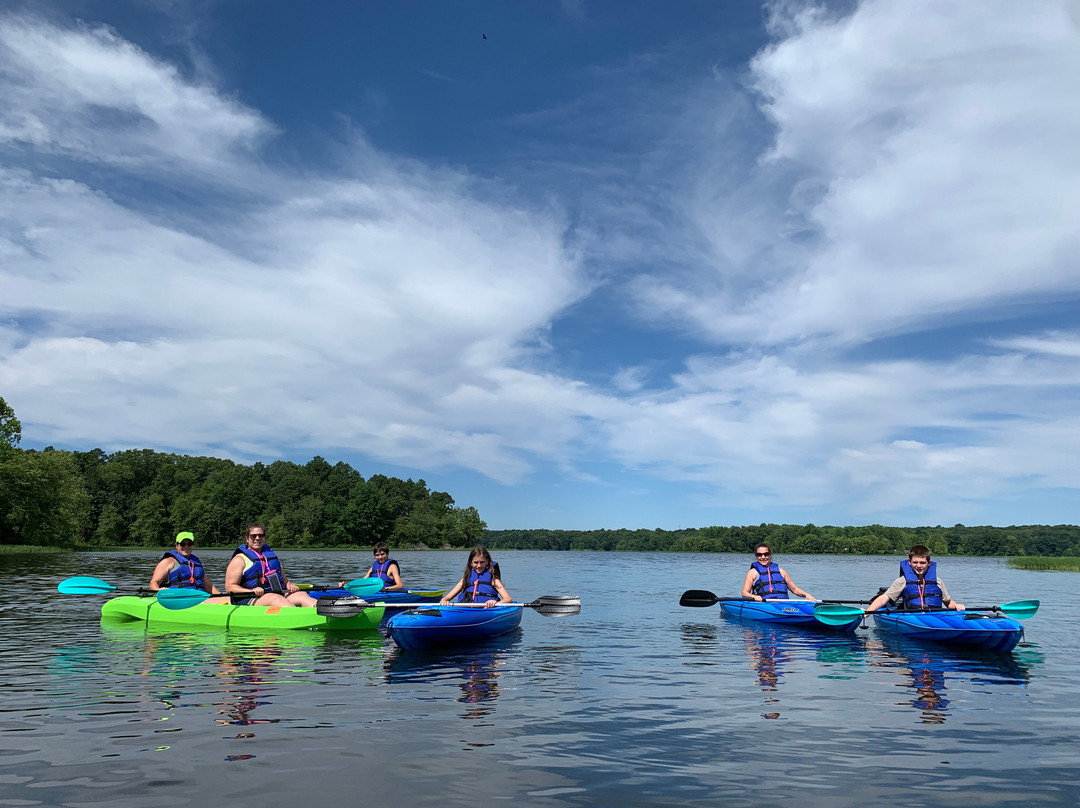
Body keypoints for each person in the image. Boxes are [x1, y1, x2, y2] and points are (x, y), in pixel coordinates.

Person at [224, 523, 317, 607]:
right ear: (247, 539)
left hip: (276, 595)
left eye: (261, 535)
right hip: (250, 598)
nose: (257, 538)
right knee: (275, 599)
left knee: (301, 594)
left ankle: (319, 612)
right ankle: (298, 619)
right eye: (253, 536)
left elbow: (284, 580)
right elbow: (229, 587)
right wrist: (251, 591)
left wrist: (290, 586)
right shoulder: (239, 560)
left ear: (264, 538)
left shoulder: (270, 556)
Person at [867, 545, 965, 612]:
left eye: (922, 563)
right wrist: (867, 612)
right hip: (912, 617)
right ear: (909, 562)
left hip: (934, 616)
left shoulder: (938, 582)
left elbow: (948, 602)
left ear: (929, 563)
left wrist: (956, 606)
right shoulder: (902, 581)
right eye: (915, 562)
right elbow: (884, 598)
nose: (918, 566)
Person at [149, 531, 229, 604]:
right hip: (179, 598)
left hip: (200, 596)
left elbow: (207, 585)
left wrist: (220, 595)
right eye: (183, 544)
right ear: (177, 545)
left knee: (228, 599)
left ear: (193, 545)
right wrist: (160, 591)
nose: (186, 547)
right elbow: (154, 583)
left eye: (189, 544)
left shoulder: (196, 562)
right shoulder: (168, 561)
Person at [439, 545, 511, 608]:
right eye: (476, 562)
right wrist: (444, 601)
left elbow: (508, 599)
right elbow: (447, 597)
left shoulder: (494, 580)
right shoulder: (465, 579)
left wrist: (495, 603)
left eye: (482, 562)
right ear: (471, 563)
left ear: (487, 562)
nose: (479, 566)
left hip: (486, 611)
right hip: (467, 611)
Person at [741, 543, 815, 601]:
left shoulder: (781, 571)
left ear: (770, 555)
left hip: (783, 604)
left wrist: (806, 595)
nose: (763, 557)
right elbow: (744, 593)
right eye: (759, 555)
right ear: (756, 556)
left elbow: (795, 589)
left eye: (766, 554)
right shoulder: (753, 572)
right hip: (764, 604)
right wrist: (753, 596)